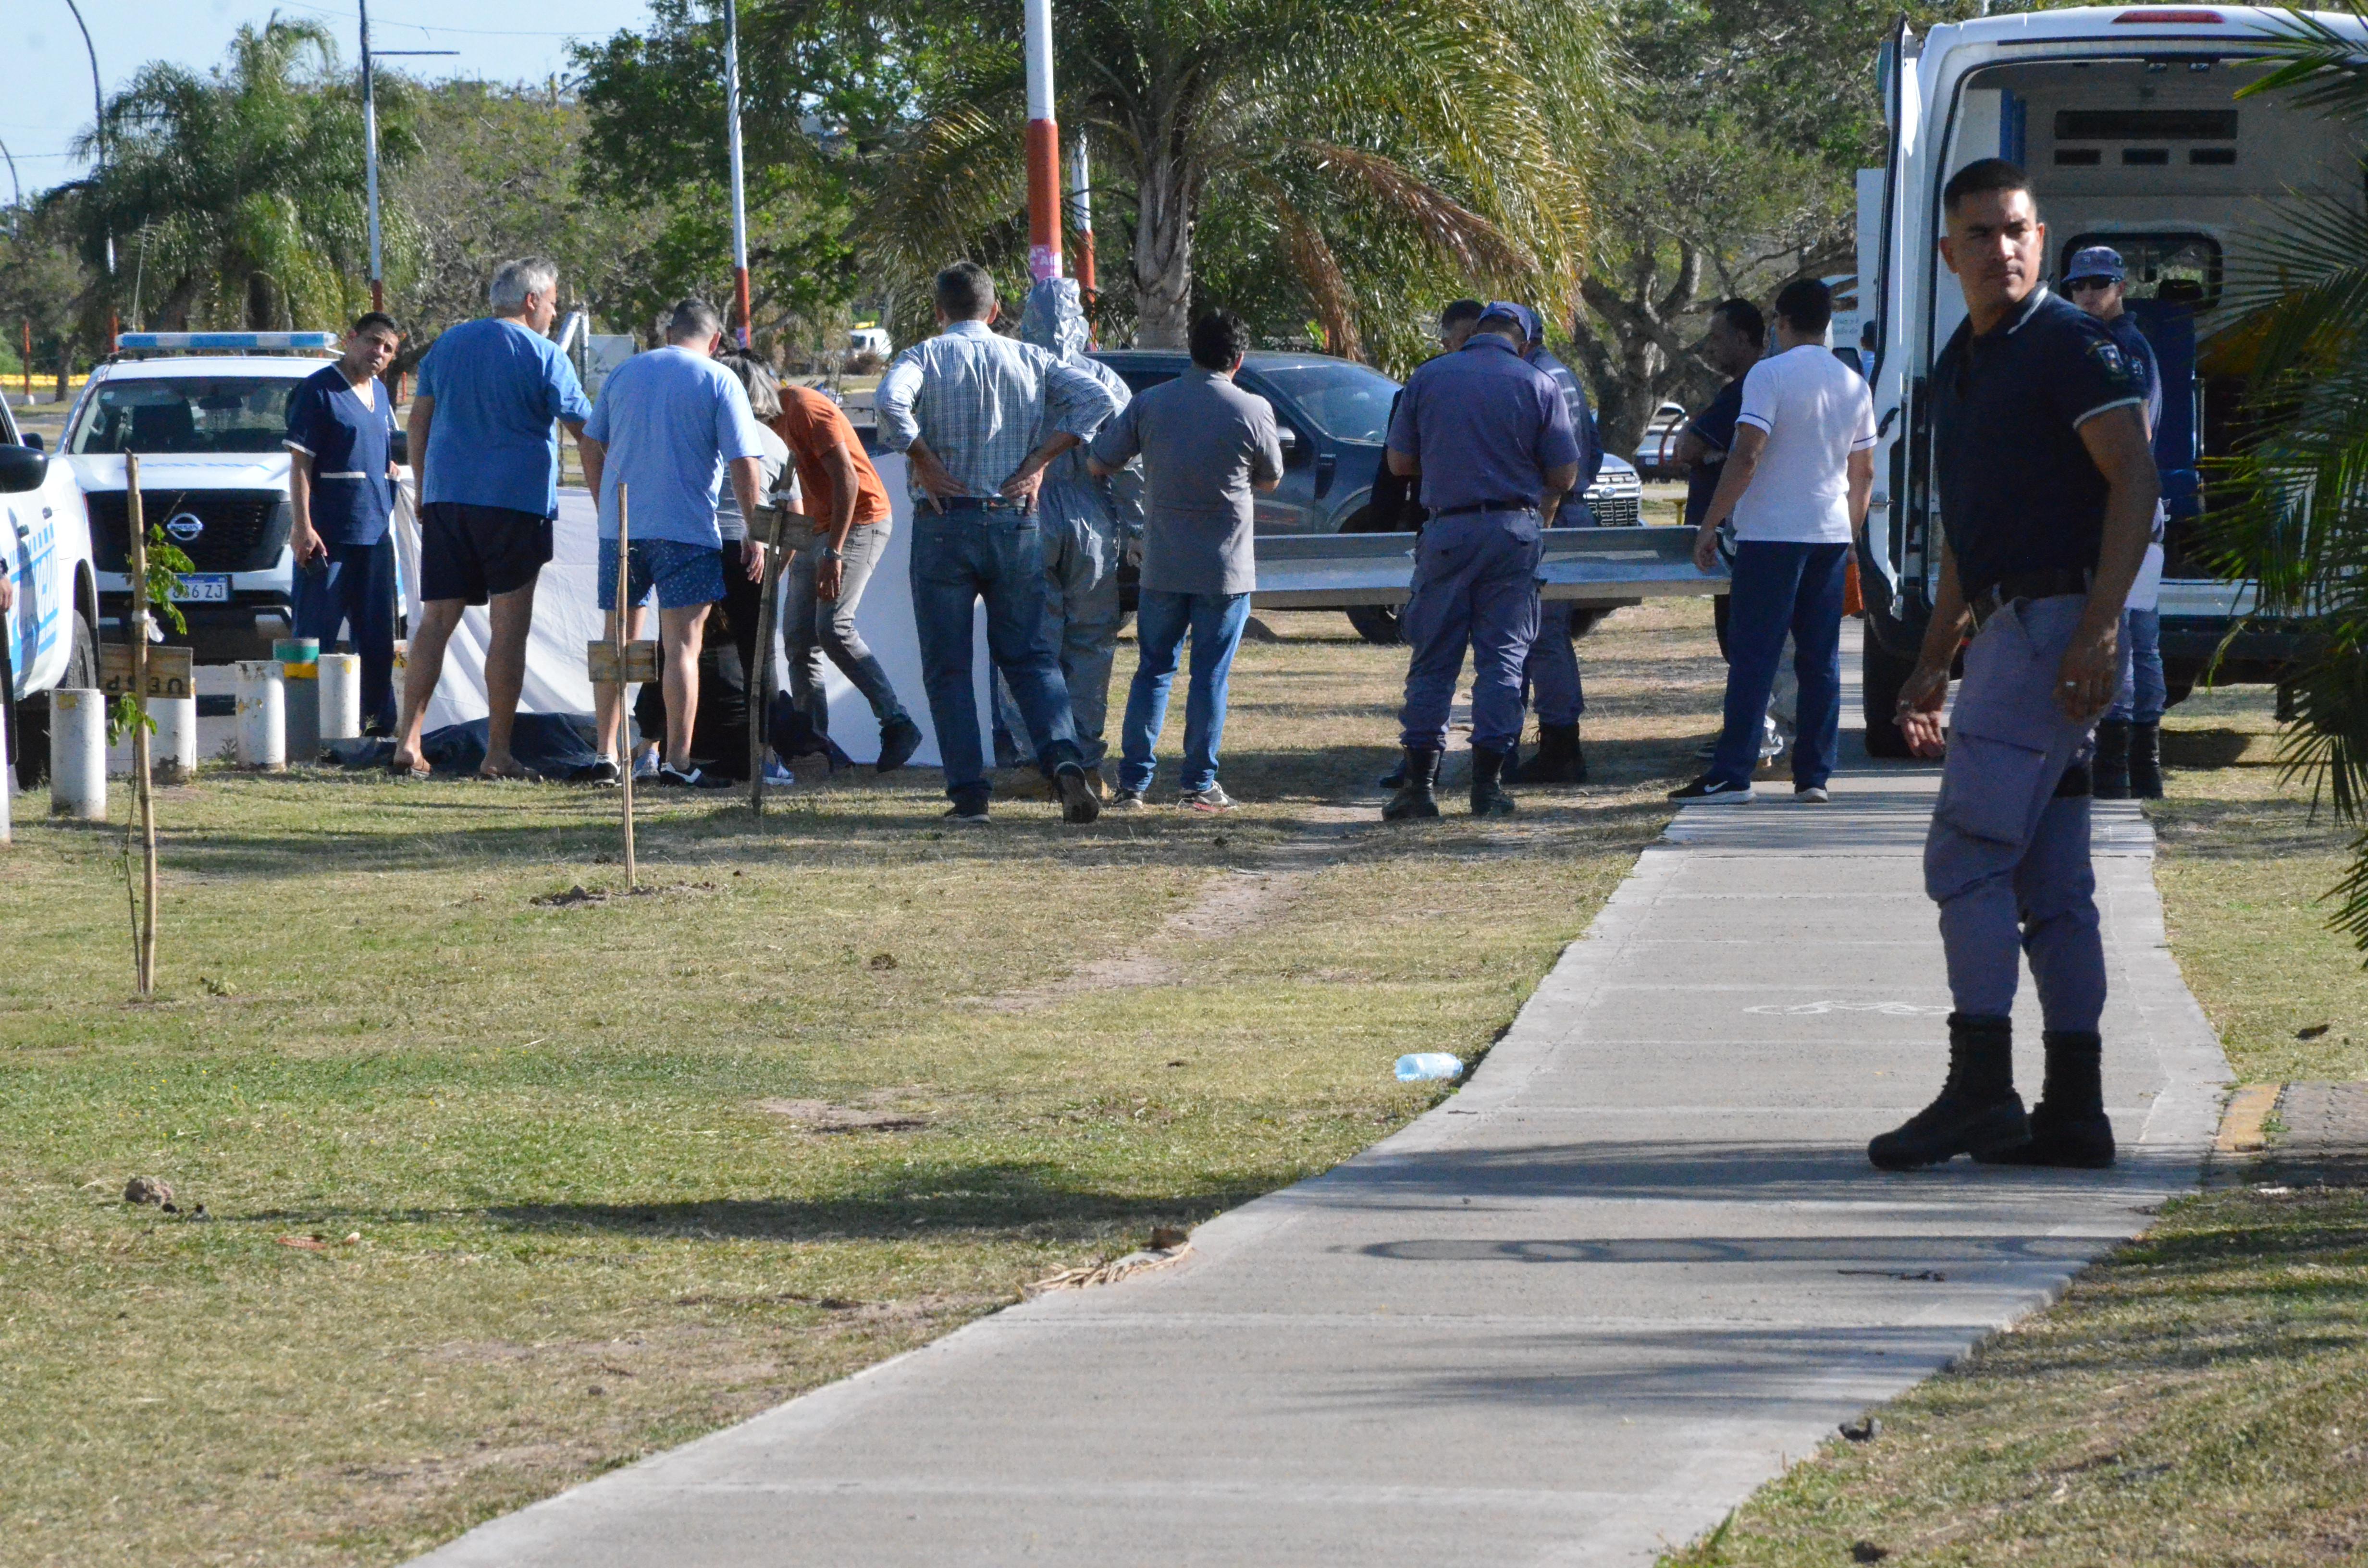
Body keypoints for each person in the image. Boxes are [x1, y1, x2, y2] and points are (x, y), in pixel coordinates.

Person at [1872, 159, 2158, 1172]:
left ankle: (1982, 1094)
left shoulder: (2070, 347)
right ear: (1949, 253)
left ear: (2042, 239)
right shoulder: (1965, 360)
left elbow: (2137, 479)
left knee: (1966, 857)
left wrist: (2099, 627)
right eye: (1984, 233)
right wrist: (1933, 653)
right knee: (2049, 881)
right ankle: (2073, 1113)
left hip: (2050, 632)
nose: (2004, 248)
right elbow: (1966, 524)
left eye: (2020, 229)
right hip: (2005, 627)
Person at [874, 260, 1121, 825]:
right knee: (1031, 658)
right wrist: (1040, 461)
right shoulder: (1031, 359)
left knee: (949, 666)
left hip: (946, 523)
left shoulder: (922, 357)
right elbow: (1097, 400)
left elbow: (890, 405)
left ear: (939, 312)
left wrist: (924, 461)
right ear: (995, 311)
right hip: (1014, 520)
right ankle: (1064, 764)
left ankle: (969, 797)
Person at [1672, 278, 1875, 806]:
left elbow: (1747, 454)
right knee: (1819, 659)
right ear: (1827, 322)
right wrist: (1849, 535)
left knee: (1754, 656)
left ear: (1780, 323)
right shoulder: (1853, 382)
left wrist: (1711, 522)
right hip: (1828, 533)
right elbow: (1865, 470)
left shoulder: (1768, 374)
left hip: (1770, 535)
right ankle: (1813, 775)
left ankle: (1733, 774)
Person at [1380, 300, 1580, 820]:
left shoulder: (1429, 378)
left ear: (1473, 334)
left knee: (1433, 661)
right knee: (1503, 662)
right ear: (1524, 341)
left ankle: (1418, 788)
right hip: (1512, 533)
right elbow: (1564, 476)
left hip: (1447, 529)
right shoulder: (1538, 385)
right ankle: (1487, 788)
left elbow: (1400, 462)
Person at [397, 257, 595, 779]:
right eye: (552, 301)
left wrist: (424, 487)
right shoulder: (546, 355)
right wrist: (605, 504)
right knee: (509, 631)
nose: (554, 313)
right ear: (532, 301)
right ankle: (498, 753)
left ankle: (407, 742)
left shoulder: (449, 344)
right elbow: (585, 434)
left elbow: (419, 421)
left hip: (448, 501)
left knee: (436, 623)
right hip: (515, 505)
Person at [1087, 309, 1283, 811]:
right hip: (1225, 569)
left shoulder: (1150, 403)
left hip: (1163, 564)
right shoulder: (1253, 408)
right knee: (1209, 676)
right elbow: (1270, 478)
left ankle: (1133, 784)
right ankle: (1198, 784)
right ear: (1238, 360)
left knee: (1153, 670)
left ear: (1190, 352)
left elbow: (1099, 460)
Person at [579, 297, 768, 790]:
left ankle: (605, 755)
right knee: (682, 647)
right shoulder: (719, 378)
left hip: (622, 528)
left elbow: (589, 441)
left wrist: (605, 509)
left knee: (617, 639)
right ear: (715, 340)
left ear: (668, 333)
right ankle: (678, 762)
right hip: (686, 530)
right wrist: (754, 531)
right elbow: (745, 462)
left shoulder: (623, 374)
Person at [993, 277, 1137, 784]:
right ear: (1080, 322)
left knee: (1028, 642)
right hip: (1091, 519)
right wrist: (1139, 529)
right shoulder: (1103, 379)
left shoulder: (1008, 372)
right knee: (1090, 642)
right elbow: (1128, 460)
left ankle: (1040, 758)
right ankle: (1086, 756)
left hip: (1025, 513)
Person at [626, 351, 794, 784]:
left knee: (672, 648)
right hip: (749, 552)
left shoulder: (689, 430)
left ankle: (649, 747)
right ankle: (766, 754)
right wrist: (778, 566)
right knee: (760, 657)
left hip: (692, 544)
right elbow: (793, 515)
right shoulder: (772, 443)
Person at [769, 376, 922, 771]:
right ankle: (813, 747)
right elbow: (792, 498)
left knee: (833, 627)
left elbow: (848, 480)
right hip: (817, 527)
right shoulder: (766, 424)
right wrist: (776, 566)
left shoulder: (803, 407)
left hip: (860, 520)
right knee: (799, 640)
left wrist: (834, 552)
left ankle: (897, 721)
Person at [2063, 245, 2169, 800]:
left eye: (2098, 283)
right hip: (2132, 508)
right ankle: (2138, 769)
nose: (2086, 293)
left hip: (2123, 510)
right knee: (2137, 637)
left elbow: (2133, 438)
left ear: (2120, 287)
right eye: (2078, 285)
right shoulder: (2113, 344)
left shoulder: (2121, 349)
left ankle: (2120, 765)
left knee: (2126, 636)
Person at [284, 311, 404, 736]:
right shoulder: (319, 391)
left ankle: (377, 729)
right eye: (372, 341)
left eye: (388, 348)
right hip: (328, 540)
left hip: (374, 537)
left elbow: (384, 452)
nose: (379, 353)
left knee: (376, 641)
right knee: (313, 636)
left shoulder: (381, 396)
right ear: (351, 339)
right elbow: (301, 462)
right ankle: (299, 733)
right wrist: (303, 526)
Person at [1504, 301, 1603, 786]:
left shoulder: (1535, 380)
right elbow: (1595, 450)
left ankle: (1561, 747)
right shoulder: (1562, 374)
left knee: (1543, 638)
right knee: (1545, 638)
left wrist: (1542, 517)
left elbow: (1554, 466)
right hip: (1571, 508)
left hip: (1551, 513)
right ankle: (1555, 743)